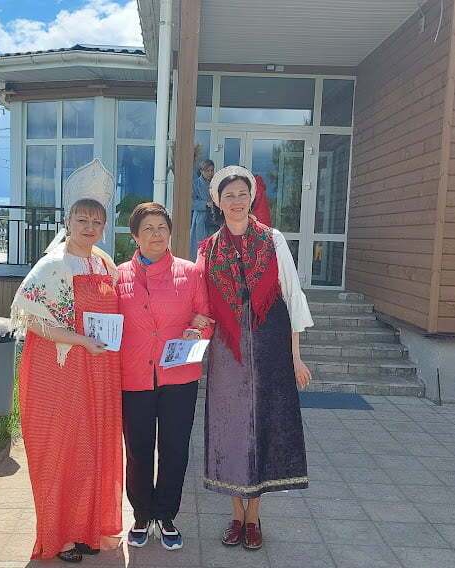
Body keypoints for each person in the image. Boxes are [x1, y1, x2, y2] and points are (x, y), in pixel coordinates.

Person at [196, 165, 314, 551]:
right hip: (227, 350)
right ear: (218, 202)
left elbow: (291, 296)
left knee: (264, 426)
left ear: (252, 198)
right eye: (228, 195)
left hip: (269, 346)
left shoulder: (273, 240)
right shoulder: (207, 249)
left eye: (242, 194)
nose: (236, 201)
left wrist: (295, 357)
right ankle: (235, 513)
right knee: (229, 430)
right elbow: (201, 303)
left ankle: (254, 517)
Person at [10, 159, 123, 563]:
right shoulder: (53, 264)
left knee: (92, 448)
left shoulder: (104, 262)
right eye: (82, 219)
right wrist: (80, 340)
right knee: (61, 448)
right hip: (58, 370)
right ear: (68, 221)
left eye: (96, 221)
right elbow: (34, 320)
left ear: (104, 226)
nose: (89, 227)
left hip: (96, 369)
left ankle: (87, 528)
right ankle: (60, 537)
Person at [116, 202, 214, 551]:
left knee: (174, 450)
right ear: (135, 236)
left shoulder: (191, 273)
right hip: (134, 376)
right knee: (138, 450)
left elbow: (206, 318)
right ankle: (142, 515)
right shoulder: (118, 276)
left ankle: (167, 516)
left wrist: (196, 330)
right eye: (148, 228)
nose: (156, 234)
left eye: (162, 227)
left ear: (170, 232)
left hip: (179, 377)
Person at [189, 159, 214, 260]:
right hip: (200, 219)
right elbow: (190, 203)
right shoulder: (195, 184)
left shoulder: (215, 184)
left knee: (212, 245)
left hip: (214, 219)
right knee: (199, 246)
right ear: (201, 171)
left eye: (212, 170)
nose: (210, 173)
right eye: (207, 171)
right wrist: (205, 204)